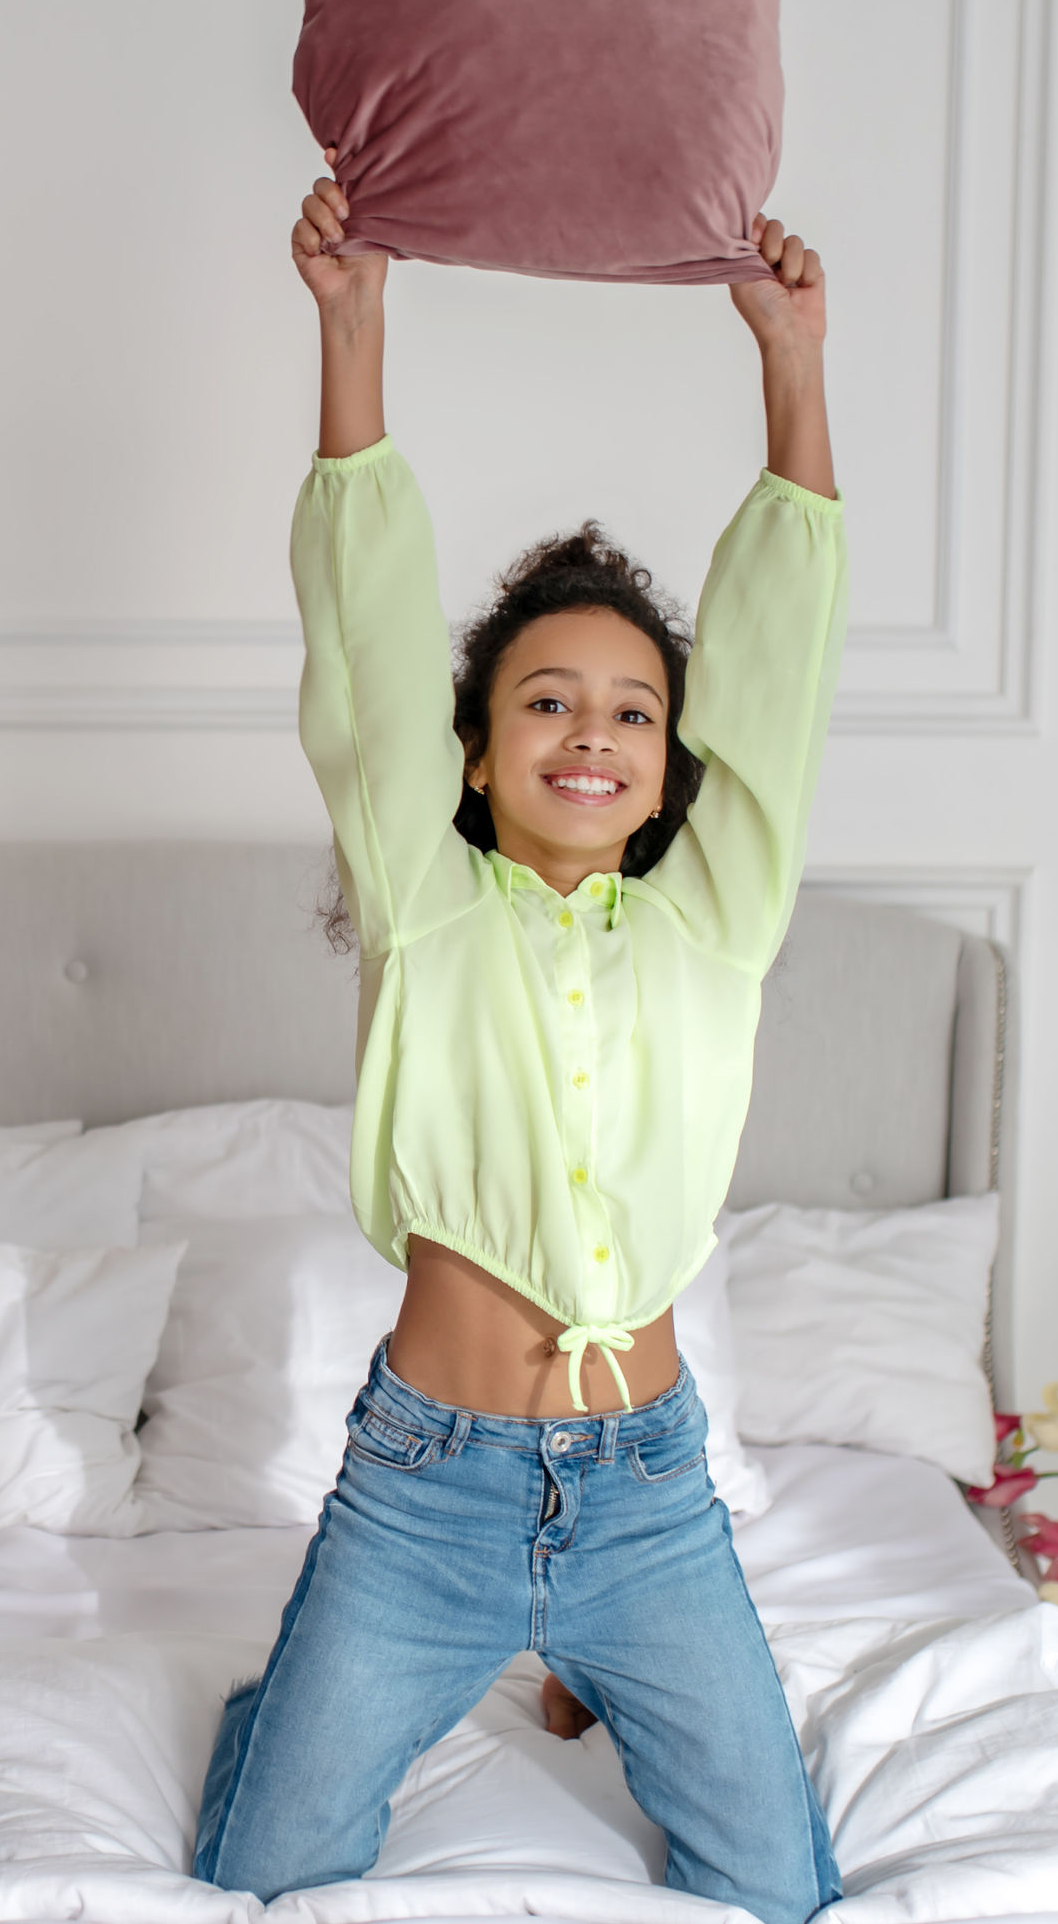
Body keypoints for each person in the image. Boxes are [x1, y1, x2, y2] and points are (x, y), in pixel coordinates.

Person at [190, 165, 848, 1924]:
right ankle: (327, 1694)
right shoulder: (431, 899)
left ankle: (586, 1664)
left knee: (778, 1888)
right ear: (476, 755)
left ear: (667, 765)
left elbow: (779, 676)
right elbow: (370, 638)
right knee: (262, 1871)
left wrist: (792, 360)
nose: (593, 732)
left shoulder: (715, 921)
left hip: (646, 1493)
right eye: (546, 701)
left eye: (634, 710)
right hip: (424, 1491)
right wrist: (353, 326)